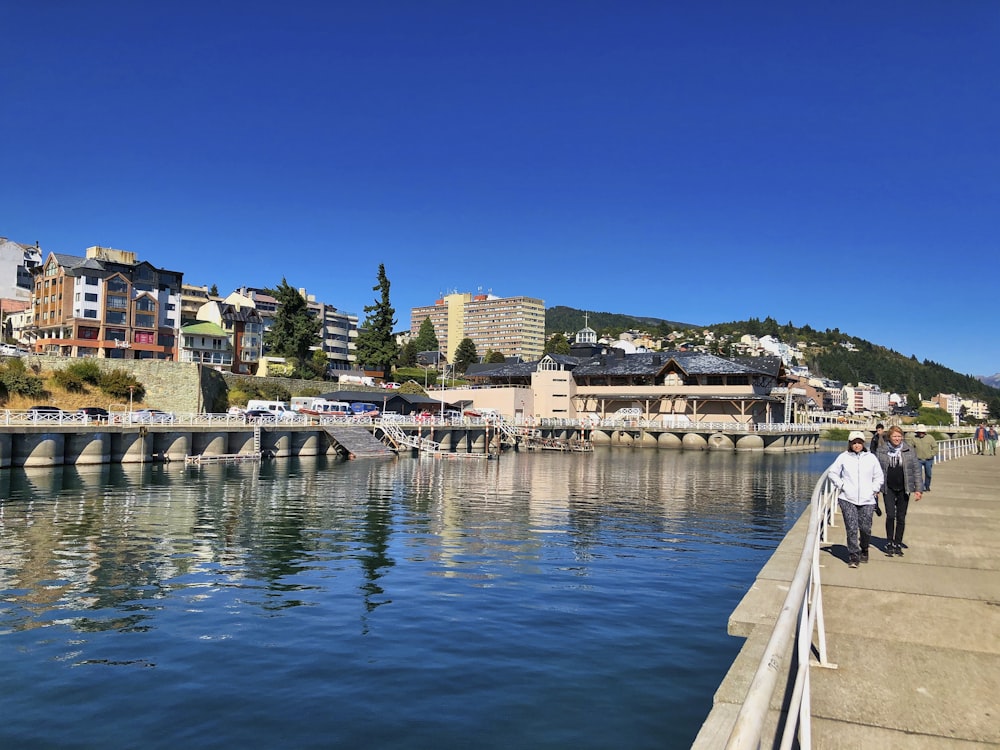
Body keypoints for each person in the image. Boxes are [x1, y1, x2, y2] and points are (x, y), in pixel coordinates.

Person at [827, 430, 884, 568]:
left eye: (859, 443)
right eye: (854, 443)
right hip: (847, 498)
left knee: (865, 528)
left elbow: (879, 476)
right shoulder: (843, 457)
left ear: (863, 444)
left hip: (867, 499)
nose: (857, 445)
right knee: (851, 527)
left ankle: (864, 548)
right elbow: (832, 472)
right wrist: (842, 485)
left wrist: (874, 489)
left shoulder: (870, 458)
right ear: (850, 444)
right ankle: (853, 555)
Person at [876, 425, 923, 556]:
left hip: (904, 488)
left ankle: (898, 543)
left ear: (902, 437)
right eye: (894, 436)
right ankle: (889, 542)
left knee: (901, 517)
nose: (897, 439)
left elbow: (916, 470)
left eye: (899, 436)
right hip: (888, 488)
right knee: (890, 515)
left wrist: (919, 489)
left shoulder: (909, 450)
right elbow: (876, 471)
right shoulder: (881, 451)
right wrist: (875, 489)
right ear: (889, 437)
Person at [910, 424, 937, 492]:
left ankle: (927, 486)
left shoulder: (930, 438)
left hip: (928, 459)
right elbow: (910, 448)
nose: (921, 433)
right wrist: (912, 456)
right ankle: (920, 487)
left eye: (922, 432)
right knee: (918, 474)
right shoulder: (914, 438)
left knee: (928, 474)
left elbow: (935, 447)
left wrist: (931, 454)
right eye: (919, 432)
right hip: (918, 460)